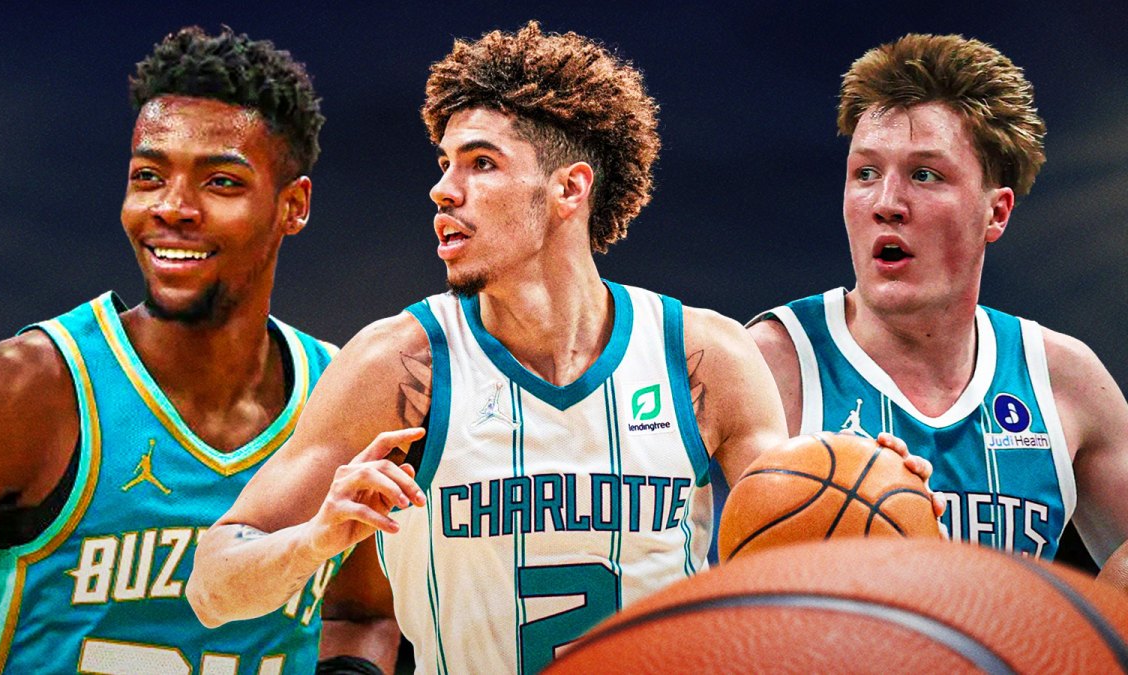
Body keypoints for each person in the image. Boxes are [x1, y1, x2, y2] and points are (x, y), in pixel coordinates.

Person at [186, 22, 934, 674]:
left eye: (480, 163)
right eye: (443, 164)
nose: (443, 190)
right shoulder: (397, 365)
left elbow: (797, 554)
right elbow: (212, 586)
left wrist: (869, 500)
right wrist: (315, 540)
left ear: (570, 188)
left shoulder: (704, 359)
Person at [0, 26, 398, 674]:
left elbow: (363, 612)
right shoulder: (20, 390)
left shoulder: (343, 393)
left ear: (293, 205)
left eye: (220, 182)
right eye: (149, 175)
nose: (171, 207)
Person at [747, 34, 1128, 566]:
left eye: (924, 174)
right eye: (865, 173)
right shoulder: (769, 363)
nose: (886, 203)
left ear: (996, 213)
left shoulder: (1065, 379)